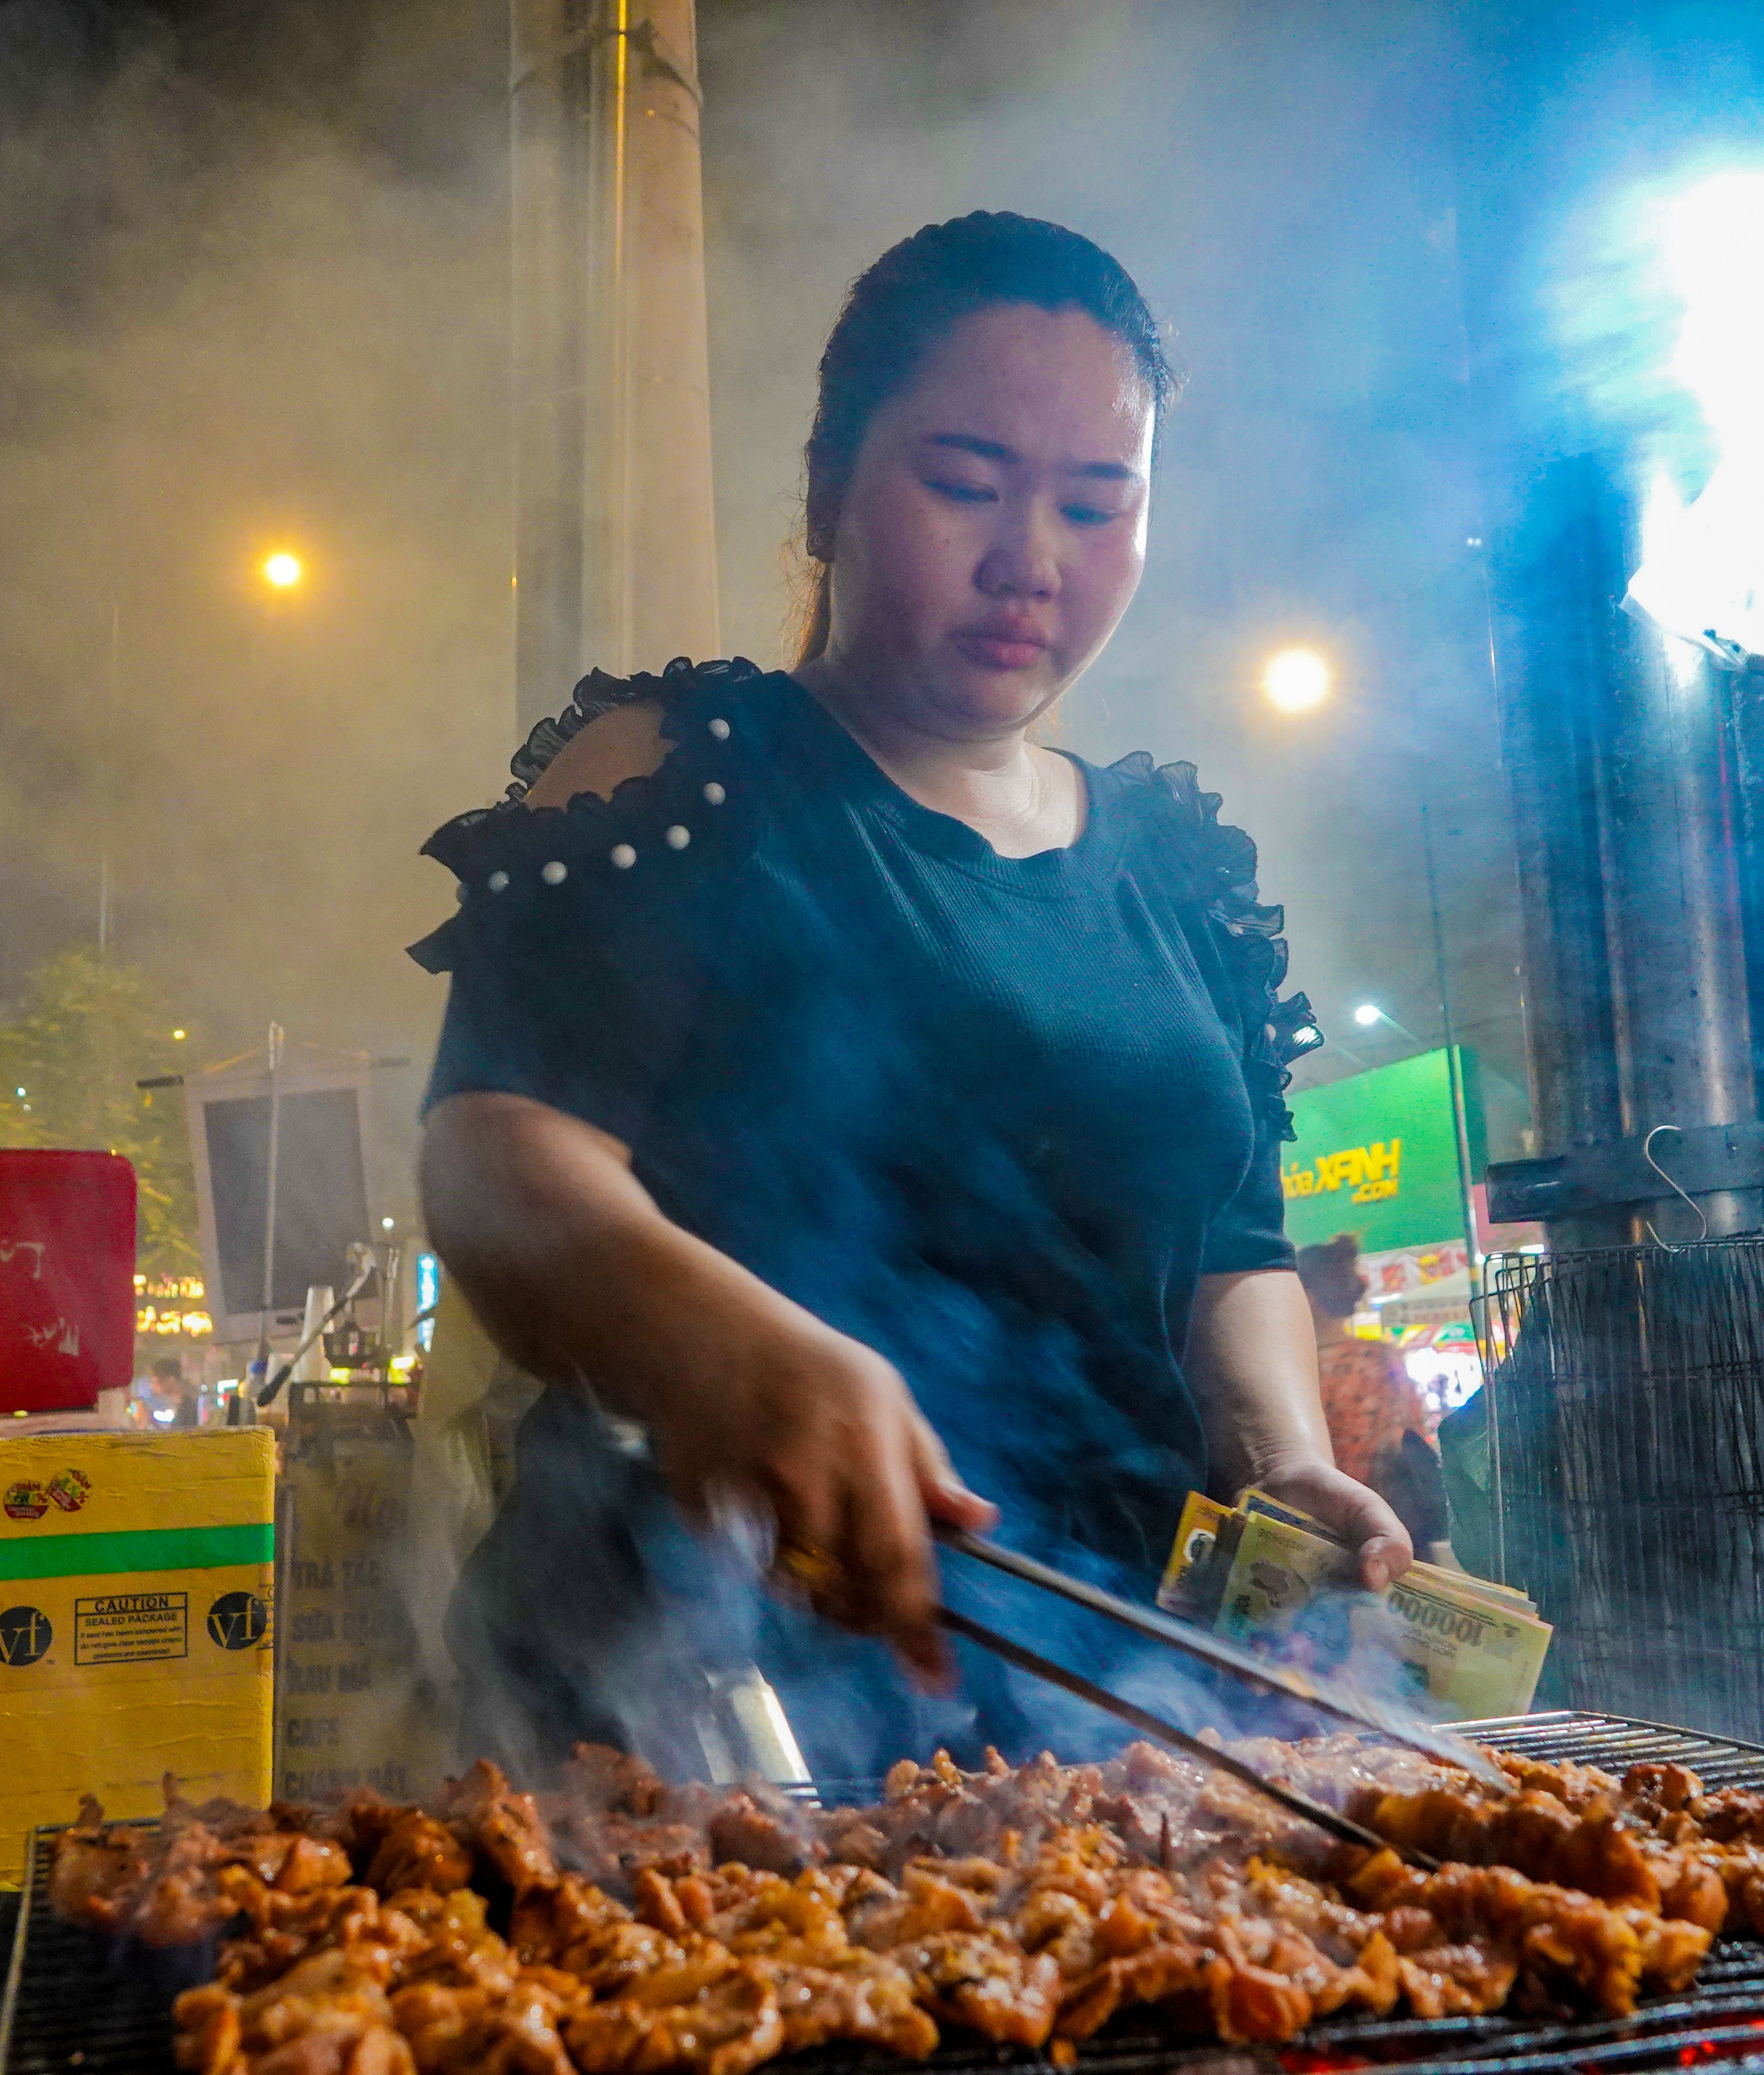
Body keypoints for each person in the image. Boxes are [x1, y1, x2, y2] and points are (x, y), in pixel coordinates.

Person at [414, 213, 1410, 1772]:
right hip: (695, 1716)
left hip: (1093, 1718)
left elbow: (1232, 1248)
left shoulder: (1175, 869)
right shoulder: (690, 777)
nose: (1033, 562)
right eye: (966, 485)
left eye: (1098, 504)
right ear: (830, 492)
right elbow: (495, 1151)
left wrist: (1280, 1462)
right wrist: (722, 1343)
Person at [1293, 1236, 1448, 1563]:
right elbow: (1414, 1435)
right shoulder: (1382, 1358)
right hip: (1389, 1526)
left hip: (1313, 1526)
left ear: (1304, 1297)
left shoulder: (1292, 1366)